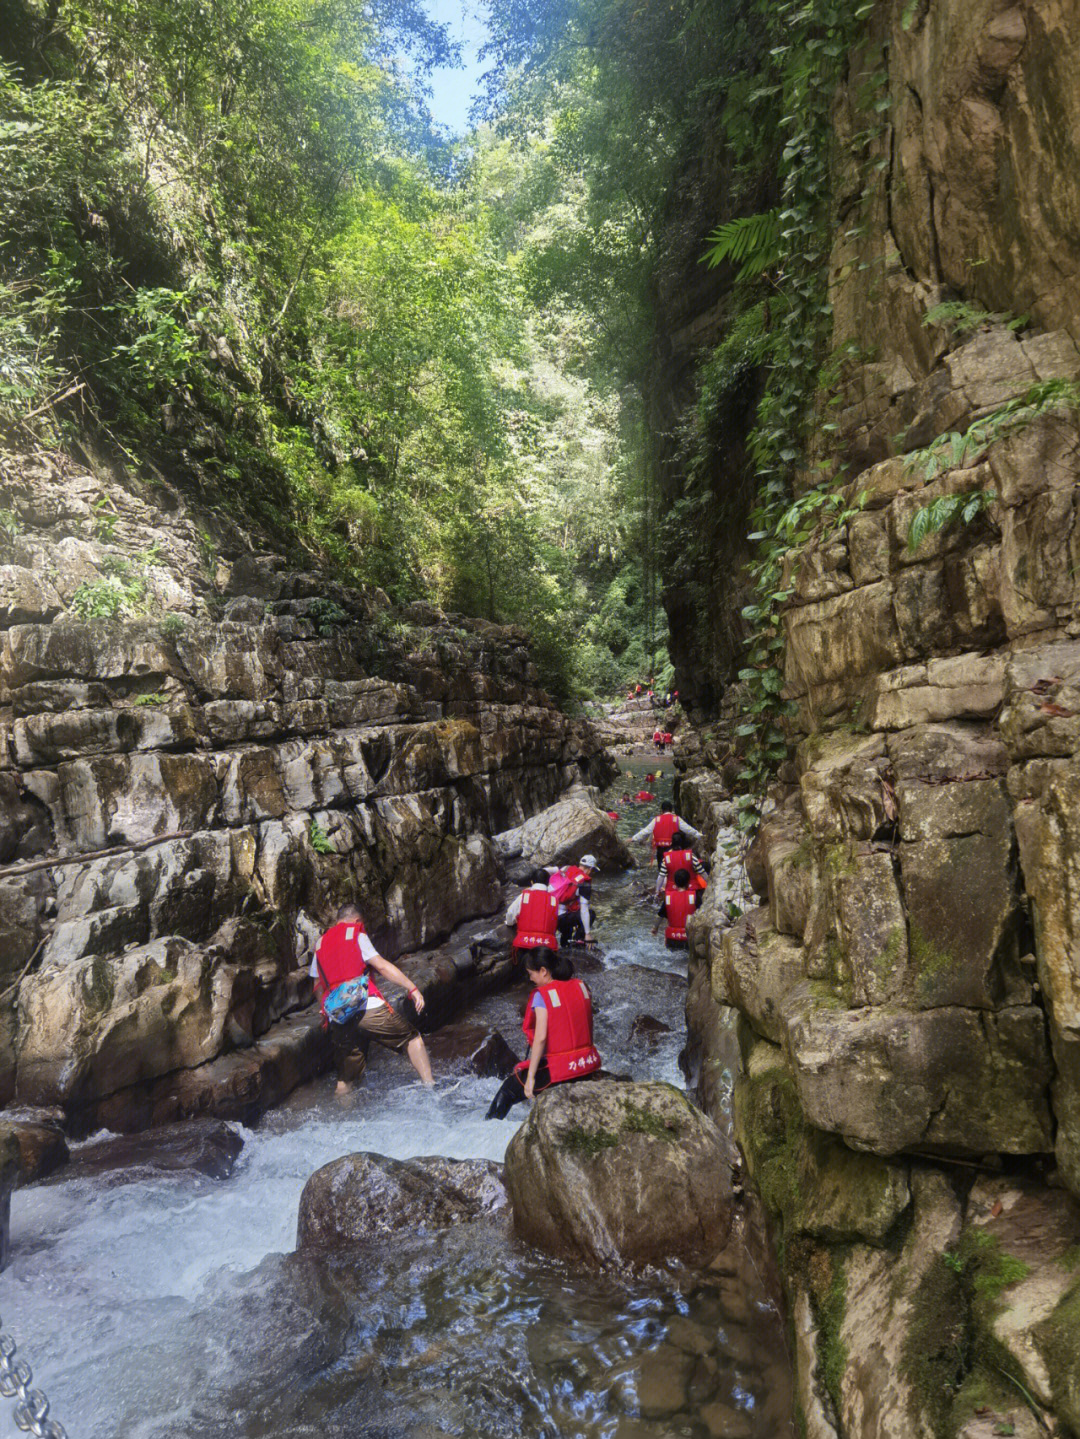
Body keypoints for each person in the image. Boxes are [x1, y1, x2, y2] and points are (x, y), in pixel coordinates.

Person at [311, 904, 433, 1093]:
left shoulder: (320, 944)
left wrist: (326, 1011)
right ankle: (431, 1089)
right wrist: (412, 988)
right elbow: (382, 966)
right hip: (367, 1007)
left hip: (339, 1018)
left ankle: (342, 1119)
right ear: (357, 921)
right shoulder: (356, 934)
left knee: (346, 1079)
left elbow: (318, 987)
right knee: (412, 1038)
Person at [484, 949, 601, 1119]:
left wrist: (530, 1078)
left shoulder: (543, 996)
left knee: (509, 1088)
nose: (530, 978)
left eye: (531, 973)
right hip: (587, 1065)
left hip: (563, 1073)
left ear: (544, 971)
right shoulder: (580, 986)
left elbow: (540, 1038)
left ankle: (488, 1128)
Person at [631, 802, 703, 868]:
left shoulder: (656, 820)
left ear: (662, 810)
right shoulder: (676, 819)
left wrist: (633, 838)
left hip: (661, 851)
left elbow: (645, 831)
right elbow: (688, 829)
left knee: (662, 870)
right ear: (671, 810)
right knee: (673, 869)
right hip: (672, 850)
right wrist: (699, 835)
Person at [505, 870, 560, 954]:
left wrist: (509, 923)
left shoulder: (524, 896)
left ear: (531, 882)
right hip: (547, 945)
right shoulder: (554, 900)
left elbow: (510, 913)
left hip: (525, 943)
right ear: (548, 884)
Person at [551, 854, 597, 947]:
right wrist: (587, 934)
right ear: (590, 869)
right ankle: (578, 941)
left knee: (568, 929)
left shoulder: (566, 868)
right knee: (591, 913)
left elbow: (546, 871)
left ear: (580, 864)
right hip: (561, 918)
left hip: (549, 913)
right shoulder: (584, 883)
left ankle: (565, 946)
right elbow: (584, 910)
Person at [656, 832, 709, 898]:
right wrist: (710, 884)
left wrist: (657, 891)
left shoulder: (666, 858)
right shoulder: (691, 856)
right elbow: (702, 872)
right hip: (691, 890)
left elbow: (661, 876)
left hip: (672, 892)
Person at [659, 868, 698, 948]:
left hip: (671, 938)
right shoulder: (695, 896)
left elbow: (661, 916)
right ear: (688, 882)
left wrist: (655, 928)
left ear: (675, 883)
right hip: (688, 938)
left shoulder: (668, 898)